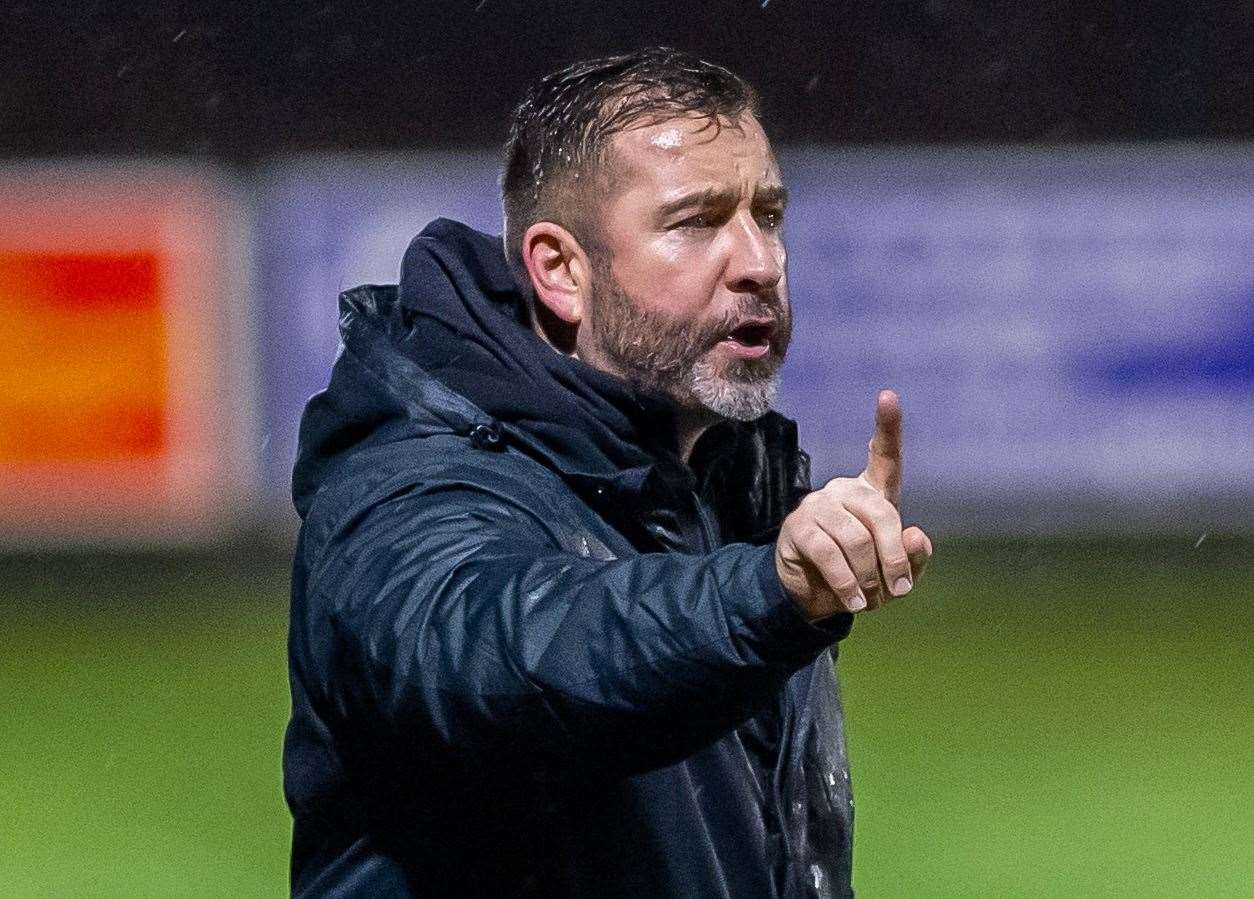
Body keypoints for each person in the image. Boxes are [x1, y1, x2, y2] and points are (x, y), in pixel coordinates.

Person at [284, 46, 932, 898]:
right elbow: (512, 661)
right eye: (696, 221)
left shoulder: (722, 480)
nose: (760, 261)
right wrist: (764, 594)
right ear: (561, 271)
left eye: (767, 215)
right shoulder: (404, 487)